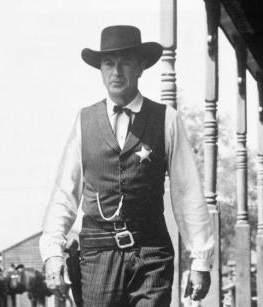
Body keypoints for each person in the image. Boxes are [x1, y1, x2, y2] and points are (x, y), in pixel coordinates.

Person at [40, 25, 214, 306]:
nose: (116, 71)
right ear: (100, 70)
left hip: (151, 252)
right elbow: (65, 193)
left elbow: (188, 191)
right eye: (109, 63)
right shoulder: (84, 121)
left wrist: (201, 259)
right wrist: (52, 253)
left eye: (126, 62)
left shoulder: (167, 119)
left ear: (141, 67)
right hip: (97, 256)